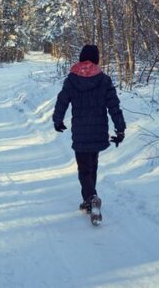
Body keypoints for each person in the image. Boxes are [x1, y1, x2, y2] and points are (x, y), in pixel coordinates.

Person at [52, 44, 126, 222]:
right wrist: (120, 128)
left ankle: (91, 198)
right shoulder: (104, 80)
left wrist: (57, 120)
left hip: (80, 131)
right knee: (92, 165)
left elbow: (62, 101)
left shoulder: (71, 80)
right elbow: (114, 105)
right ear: (96, 59)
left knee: (84, 168)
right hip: (98, 130)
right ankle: (90, 199)